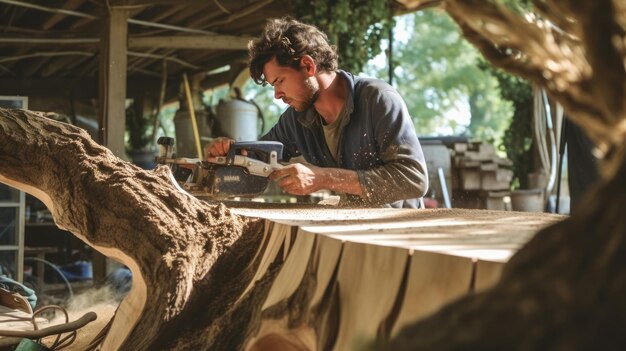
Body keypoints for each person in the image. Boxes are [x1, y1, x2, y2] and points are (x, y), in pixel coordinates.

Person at [206, 17, 428, 208]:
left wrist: (323, 178)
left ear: (308, 66)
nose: (277, 95)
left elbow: (414, 179)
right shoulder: (297, 119)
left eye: (280, 81)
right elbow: (258, 158)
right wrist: (228, 154)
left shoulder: (379, 99)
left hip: (398, 227)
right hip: (352, 223)